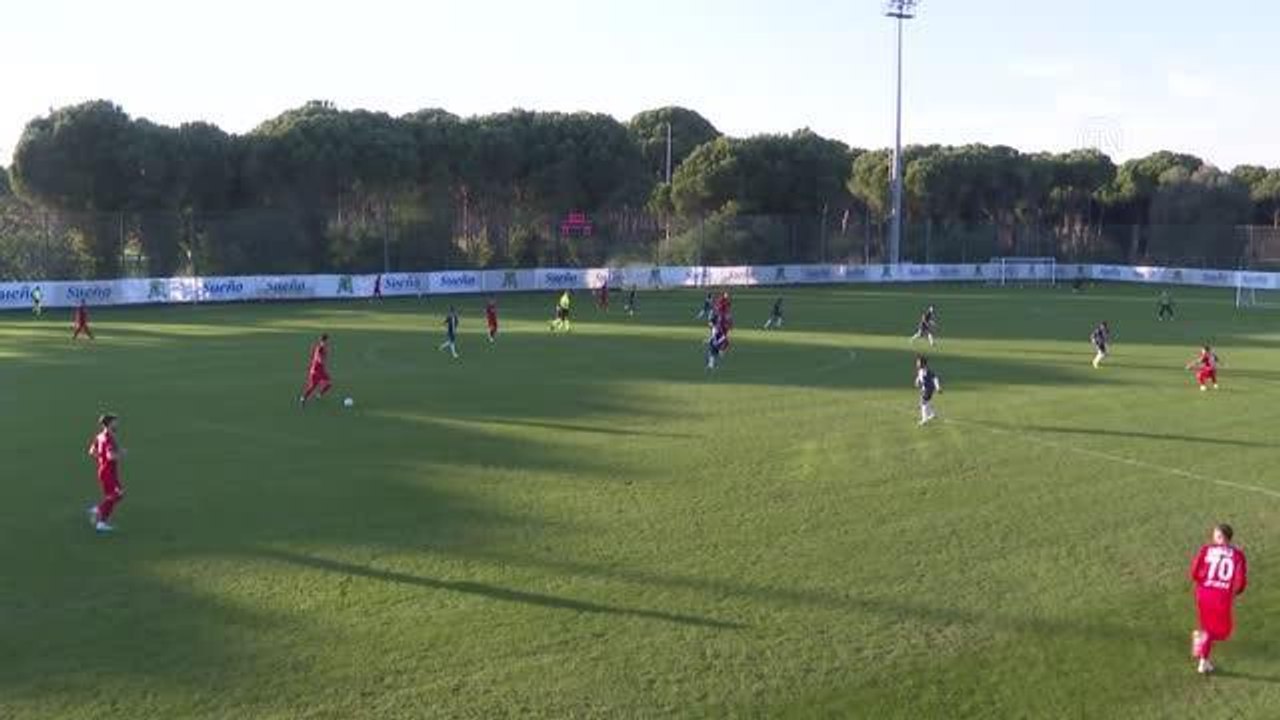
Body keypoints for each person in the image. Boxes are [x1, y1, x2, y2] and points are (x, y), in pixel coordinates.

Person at [1189, 523, 1247, 674]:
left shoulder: (1206, 549)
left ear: (1222, 537)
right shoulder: (1238, 555)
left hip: (1203, 593)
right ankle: (1201, 649)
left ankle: (1203, 658)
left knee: (1208, 627)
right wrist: (1236, 592)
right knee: (1224, 631)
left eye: (1215, 534)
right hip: (1221, 596)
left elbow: (1194, 571)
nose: (1213, 537)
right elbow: (1240, 582)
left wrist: (1201, 580)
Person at [86, 413, 125, 533]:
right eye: (115, 422)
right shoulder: (108, 438)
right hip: (108, 471)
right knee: (116, 495)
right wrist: (121, 454)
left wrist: (101, 458)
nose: (117, 424)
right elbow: (110, 456)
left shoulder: (99, 436)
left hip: (105, 470)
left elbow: (92, 452)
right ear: (109, 424)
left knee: (115, 496)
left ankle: (100, 518)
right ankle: (99, 514)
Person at [299, 334, 333, 405]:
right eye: (326, 341)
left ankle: (319, 395)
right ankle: (303, 398)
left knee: (329, 383)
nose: (327, 342)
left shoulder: (323, 348)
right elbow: (319, 358)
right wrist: (321, 359)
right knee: (312, 386)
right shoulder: (320, 348)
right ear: (323, 341)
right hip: (316, 370)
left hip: (321, 370)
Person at [914, 355, 942, 426]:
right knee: (926, 401)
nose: (917, 363)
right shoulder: (921, 370)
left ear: (923, 364)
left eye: (918, 362)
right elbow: (919, 376)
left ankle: (924, 420)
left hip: (928, 389)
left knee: (923, 403)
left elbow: (935, 377)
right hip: (925, 389)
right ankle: (932, 414)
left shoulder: (926, 371)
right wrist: (917, 380)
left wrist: (938, 387)